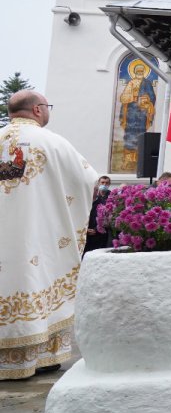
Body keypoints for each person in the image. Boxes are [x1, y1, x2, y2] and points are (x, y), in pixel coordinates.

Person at [0, 91, 99, 379]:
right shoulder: (53, 142)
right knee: (39, 277)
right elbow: (88, 180)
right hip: (37, 237)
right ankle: (42, 358)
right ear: (38, 109)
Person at [85, 175, 112, 254]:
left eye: (106, 183)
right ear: (98, 183)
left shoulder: (111, 197)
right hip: (89, 232)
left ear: (109, 184)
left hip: (102, 234)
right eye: (102, 182)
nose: (104, 184)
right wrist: (86, 229)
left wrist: (96, 229)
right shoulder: (93, 197)